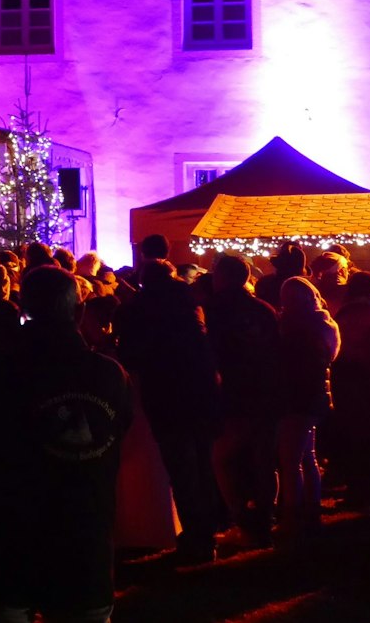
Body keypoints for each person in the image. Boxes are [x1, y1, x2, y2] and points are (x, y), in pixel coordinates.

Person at [0, 266, 133, 623]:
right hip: (83, 539)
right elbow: (121, 433)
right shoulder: (108, 375)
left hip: (9, 539)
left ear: (23, 310)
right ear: (80, 312)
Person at [114, 238, 222, 566]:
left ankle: (196, 536)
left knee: (181, 466)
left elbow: (130, 352)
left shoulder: (137, 309)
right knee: (204, 463)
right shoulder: (191, 305)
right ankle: (208, 531)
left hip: (165, 394)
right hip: (200, 390)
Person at [204, 254, 282, 549]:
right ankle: (265, 520)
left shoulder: (213, 309)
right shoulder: (264, 310)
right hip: (266, 393)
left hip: (233, 395)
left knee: (223, 458)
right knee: (264, 461)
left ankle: (243, 519)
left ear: (221, 277)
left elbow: (209, 352)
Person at [275, 276, 339, 544]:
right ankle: (311, 511)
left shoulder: (293, 326)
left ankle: (295, 515)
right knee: (307, 456)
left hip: (297, 396)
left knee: (290, 461)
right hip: (317, 396)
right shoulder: (324, 322)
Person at [329, 270, 370, 510]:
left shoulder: (350, 313)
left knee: (356, 440)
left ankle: (360, 491)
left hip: (355, 385)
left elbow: (342, 350)